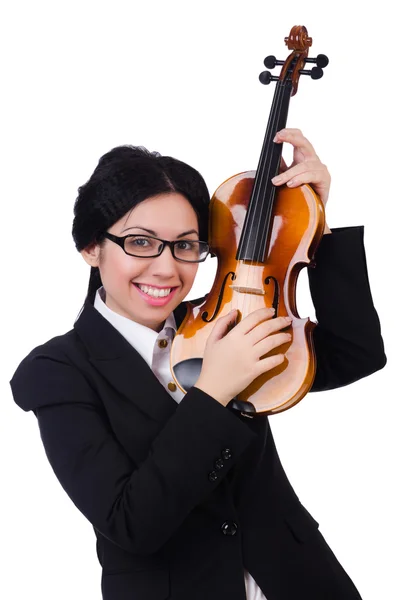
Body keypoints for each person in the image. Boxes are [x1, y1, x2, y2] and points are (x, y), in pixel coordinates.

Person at [9, 129, 386, 600]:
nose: (168, 269)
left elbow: (355, 355)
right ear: (90, 247)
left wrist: (316, 221)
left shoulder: (224, 320)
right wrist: (214, 392)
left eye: (186, 245)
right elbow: (130, 525)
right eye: (141, 242)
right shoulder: (56, 372)